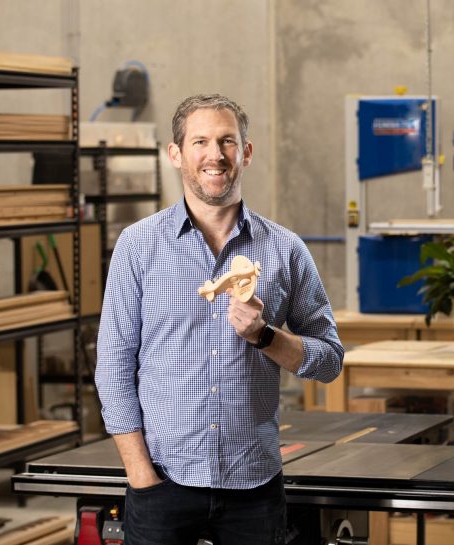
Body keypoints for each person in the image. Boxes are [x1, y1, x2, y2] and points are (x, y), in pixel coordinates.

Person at [95, 94, 344, 545]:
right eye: (200, 141)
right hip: (162, 483)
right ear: (176, 154)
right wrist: (139, 474)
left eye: (227, 141)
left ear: (245, 153)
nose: (215, 155)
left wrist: (264, 336)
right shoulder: (137, 247)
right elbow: (112, 367)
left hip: (253, 485)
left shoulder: (284, 249)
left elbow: (329, 361)